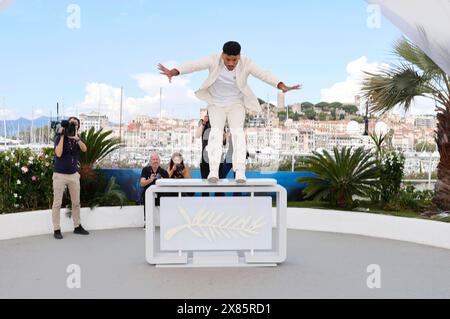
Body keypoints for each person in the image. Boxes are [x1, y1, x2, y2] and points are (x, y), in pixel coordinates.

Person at [158, 41, 300, 184]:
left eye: (235, 60)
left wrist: (281, 85)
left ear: (239, 56)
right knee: (215, 133)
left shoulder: (246, 62)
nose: (231, 63)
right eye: (228, 59)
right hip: (216, 104)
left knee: (238, 133)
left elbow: (264, 74)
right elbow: (193, 65)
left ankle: (239, 172)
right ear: (222, 55)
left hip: (236, 104)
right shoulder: (213, 59)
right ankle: (213, 171)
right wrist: (174, 71)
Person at [52, 116, 89, 240]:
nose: (73, 126)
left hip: (73, 175)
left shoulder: (78, 139)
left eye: (75, 124)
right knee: (57, 203)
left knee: (76, 202)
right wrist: (63, 135)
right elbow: (58, 153)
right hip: (59, 174)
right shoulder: (60, 136)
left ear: (78, 126)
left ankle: (77, 226)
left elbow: (85, 149)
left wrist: (77, 139)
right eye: (71, 123)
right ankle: (56, 229)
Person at [140, 153, 169, 221]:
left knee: (168, 195)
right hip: (148, 195)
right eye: (153, 159)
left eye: (157, 159)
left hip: (161, 194)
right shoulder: (145, 170)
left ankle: (165, 220)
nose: (155, 161)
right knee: (146, 194)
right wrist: (150, 180)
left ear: (159, 161)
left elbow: (168, 185)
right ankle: (146, 220)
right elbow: (142, 184)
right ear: (150, 161)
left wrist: (162, 180)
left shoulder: (164, 172)